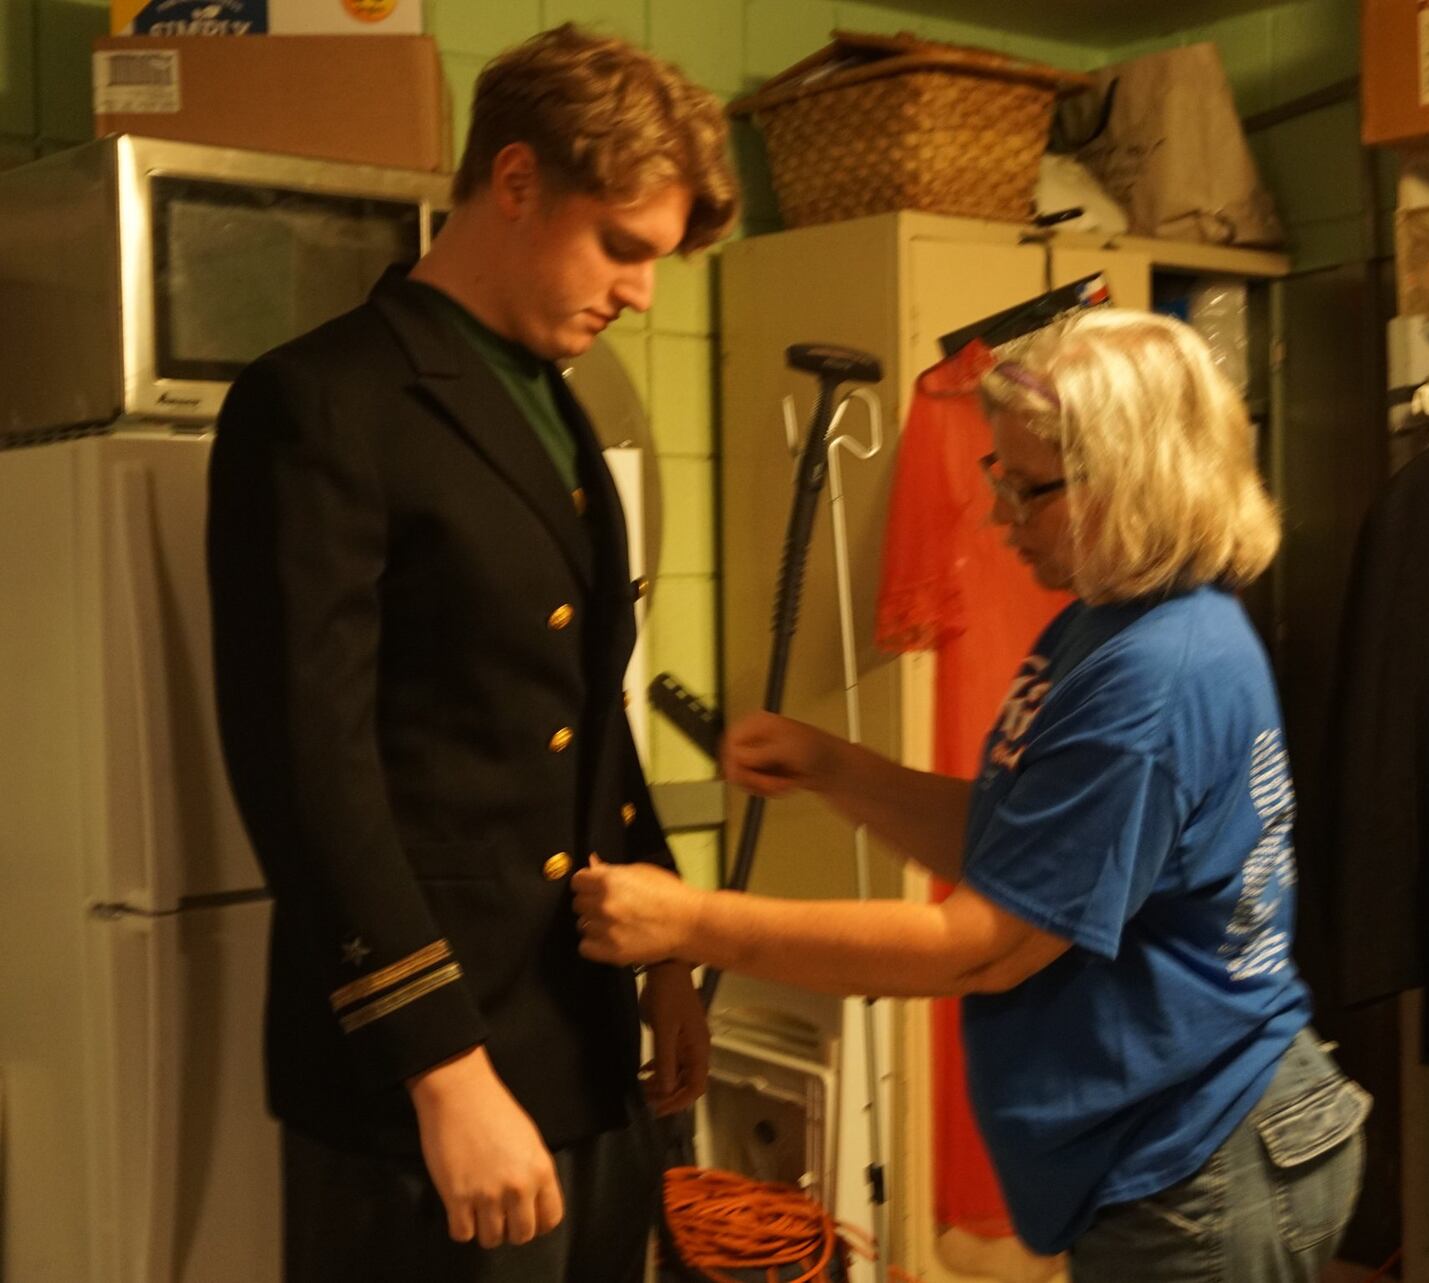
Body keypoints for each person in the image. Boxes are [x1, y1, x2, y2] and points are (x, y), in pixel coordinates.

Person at [573, 310, 1370, 1281]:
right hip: (1178, 1143)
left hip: (1203, 1166)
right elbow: (1023, 852)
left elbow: (985, 946)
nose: (999, 519)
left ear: (1131, 481)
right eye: (999, 480)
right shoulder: (1102, 623)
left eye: (1027, 490)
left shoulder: (1156, 674)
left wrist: (691, 922)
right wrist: (836, 768)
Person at [207, 24, 737, 1283]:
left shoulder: (561, 407)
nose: (641, 291)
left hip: (581, 1039)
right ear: (513, 182)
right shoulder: (322, 402)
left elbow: (586, 714)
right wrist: (443, 1066)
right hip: (428, 1078)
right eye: (622, 246)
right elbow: (304, 764)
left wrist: (663, 947)